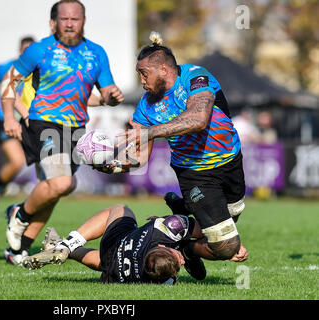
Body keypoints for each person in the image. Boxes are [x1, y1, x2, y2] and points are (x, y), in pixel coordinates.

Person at [99, 32, 248, 264]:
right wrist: (115, 166)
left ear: (164, 70)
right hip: (194, 173)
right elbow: (139, 158)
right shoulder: (145, 107)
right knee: (227, 247)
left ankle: (182, 207)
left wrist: (151, 132)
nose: (141, 80)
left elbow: (198, 118)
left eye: (144, 73)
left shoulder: (195, 77)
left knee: (233, 213)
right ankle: (188, 249)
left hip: (230, 161)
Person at [1, 0, 124, 265]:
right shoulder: (39, 50)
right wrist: (9, 116)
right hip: (43, 123)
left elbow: (105, 92)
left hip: (77, 128)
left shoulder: (97, 53)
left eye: (75, 19)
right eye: (64, 19)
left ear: (84, 21)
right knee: (61, 183)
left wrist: (112, 96)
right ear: (53, 22)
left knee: (57, 189)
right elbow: (10, 79)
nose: (70, 24)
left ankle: (18, 250)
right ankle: (20, 215)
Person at [22, 203, 247, 284]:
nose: (179, 261)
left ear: (163, 247)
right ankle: (68, 249)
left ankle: (67, 245)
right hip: (115, 267)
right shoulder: (160, 277)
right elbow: (206, 230)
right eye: (179, 261)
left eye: (178, 260)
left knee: (120, 211)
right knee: (106, 261)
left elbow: (205, 227)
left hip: (117, 247)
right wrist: (229, 248)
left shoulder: (167, 235)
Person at [0, 36, 36, 217]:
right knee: (17, 161)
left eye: (31, 50)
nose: (28, 53)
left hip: (27, 123)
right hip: (3, 121)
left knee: (29, 163)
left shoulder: (40, 71)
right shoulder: (6, 68)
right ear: (19, 51)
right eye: (25, 50)